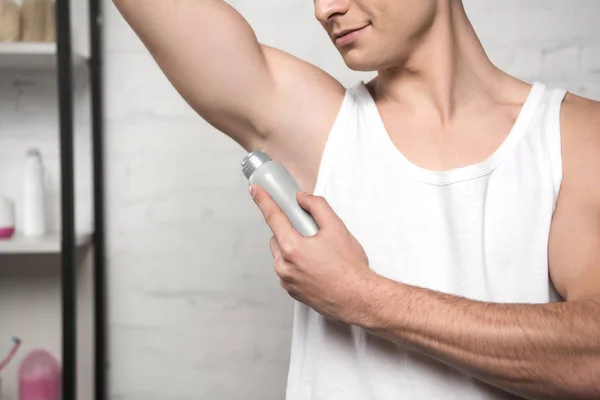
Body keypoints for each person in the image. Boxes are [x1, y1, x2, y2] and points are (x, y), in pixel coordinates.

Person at [114, 0, 600, 399]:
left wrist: (360, 295)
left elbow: (591, 359)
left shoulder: (574, 137)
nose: (324, 9)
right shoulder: (321, 126)